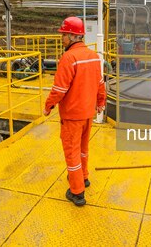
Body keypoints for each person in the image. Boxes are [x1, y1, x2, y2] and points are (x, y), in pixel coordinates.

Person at [43, 16, 106, 206]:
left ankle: (77, 191)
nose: (62, 38)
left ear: (72, 36)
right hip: (87, 113)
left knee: (71, 152)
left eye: (63, 35)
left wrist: (48, 105)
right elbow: (100, 84)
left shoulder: (69, 58)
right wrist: (100, 103)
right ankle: (84, 177)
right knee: (83, 149)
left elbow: (60, 89)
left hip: (72, 115)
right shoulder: (94, 56)